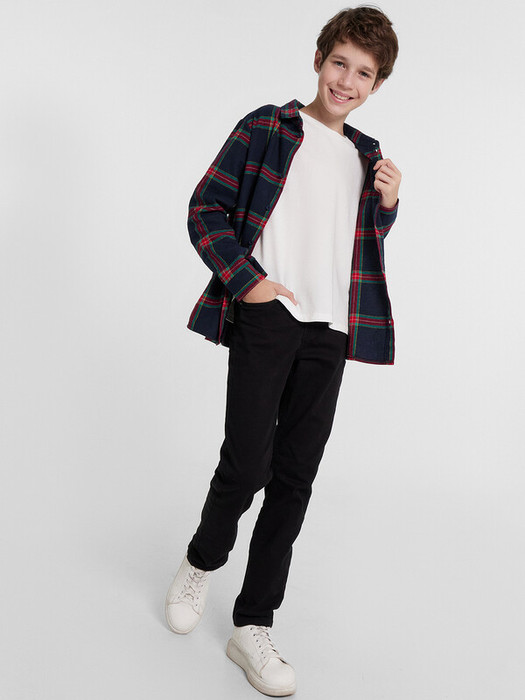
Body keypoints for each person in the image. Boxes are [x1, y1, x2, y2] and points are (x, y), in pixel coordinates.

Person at [166, 6, 401, 696]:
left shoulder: (366, 156)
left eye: (363, 73)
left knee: (295, 477)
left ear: (376, 84)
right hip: (270, 316)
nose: (346, 81)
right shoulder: (267, 127)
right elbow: (205, 208)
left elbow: (353, 243)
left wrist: (387, 206)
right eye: (339, 63)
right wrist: (250, 282)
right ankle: (201, 561)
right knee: (247, 463)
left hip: (330, 329)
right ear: (318, 59)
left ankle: (252, 624)